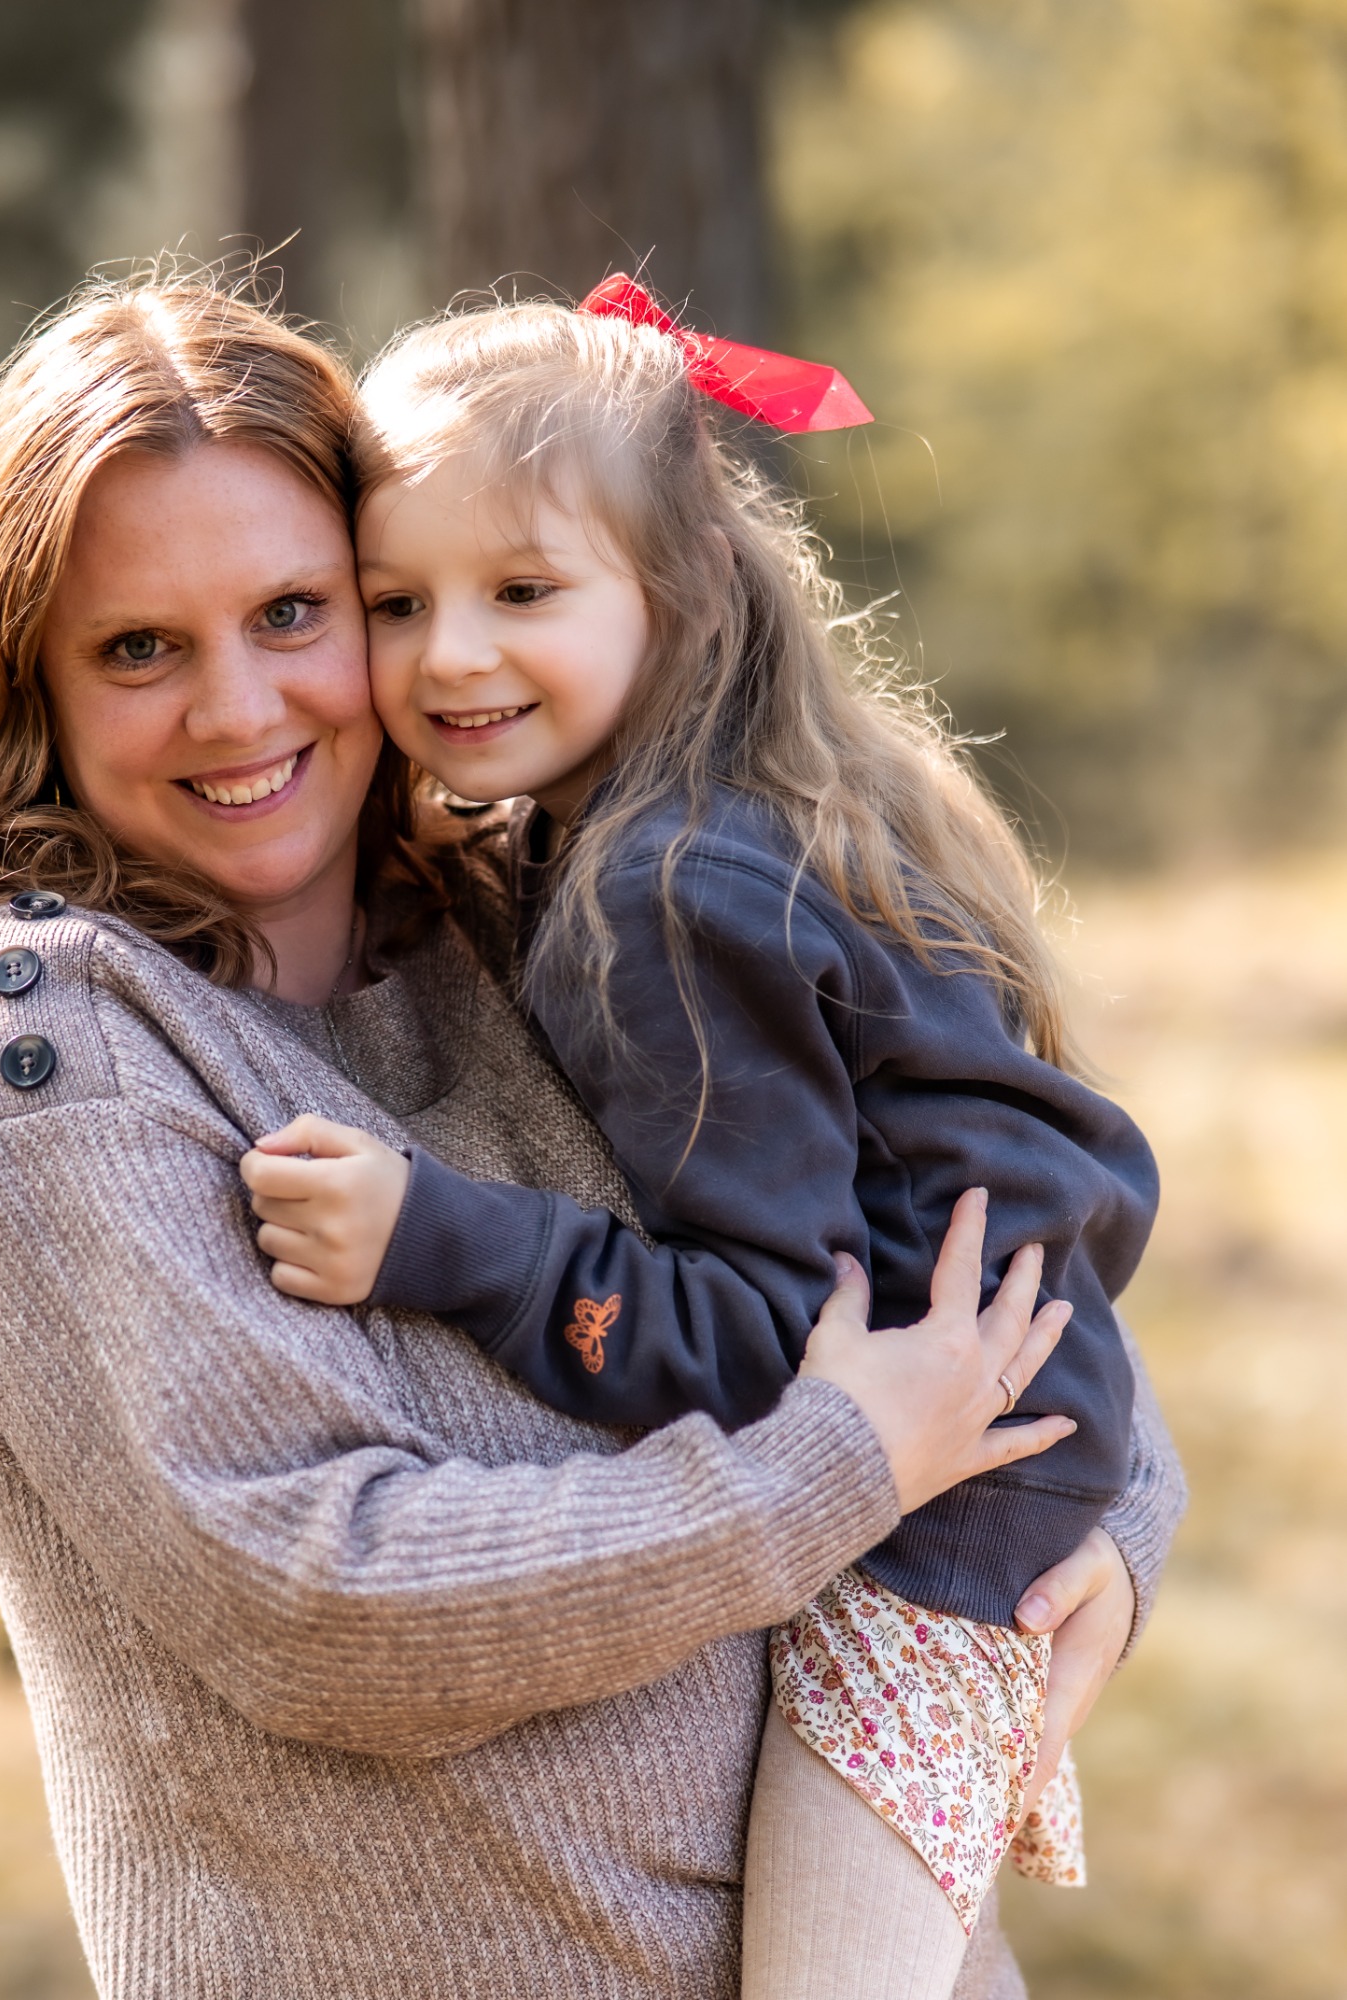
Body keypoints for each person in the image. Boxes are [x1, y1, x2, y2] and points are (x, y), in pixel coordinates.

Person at [0, 271, 1184, 2000]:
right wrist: (837, 1471)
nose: (239, 708)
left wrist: (1105, 1538)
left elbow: (962, 1234)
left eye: (296, 611)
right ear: (26, 686)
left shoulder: (529, 906)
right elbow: (320, 1600)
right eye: (139, 647)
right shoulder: (43, 1049)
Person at [237, 284, 1164, 1998]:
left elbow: (770, 1332)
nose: (449, 654)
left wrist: (443, 1237)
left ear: (673, 595)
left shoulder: (666, 894)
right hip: (974, 1475)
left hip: (931, 1531)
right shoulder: (698, 818)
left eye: (522, 591)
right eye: (396, 600)